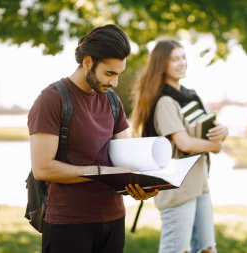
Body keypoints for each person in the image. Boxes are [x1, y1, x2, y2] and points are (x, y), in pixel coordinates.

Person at [28, 24, 158, 253]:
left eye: (119, 74)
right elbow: (43, 168)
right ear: (88, 62)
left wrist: (142, 184)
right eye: (109, 73)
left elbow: (125, 157)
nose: (115, 82)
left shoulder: (112, 101)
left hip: (113, 219)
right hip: (68, 224)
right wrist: (101, 172)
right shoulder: (52, 100)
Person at [130, 39, 228, 253]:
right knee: (176, 250)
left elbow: (209, 134)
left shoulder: (191, 96)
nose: (182, 62)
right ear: (161, 64)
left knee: (206, 249)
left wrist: (223, 132)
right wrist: (214, 145)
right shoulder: (165, 101)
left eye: (183, 57)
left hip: (199, 184)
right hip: (177, 188)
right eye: (175, 59)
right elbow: (184, 143)